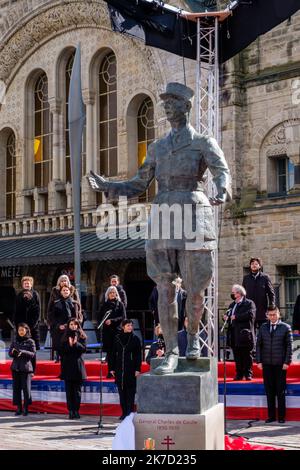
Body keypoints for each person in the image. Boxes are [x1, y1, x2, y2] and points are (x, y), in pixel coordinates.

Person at [87, 82, 231, 375]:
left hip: (193, 208)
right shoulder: (158, 147)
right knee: (164, 287)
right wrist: (109, 187)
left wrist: (223, 188)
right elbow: (139, 183)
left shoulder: (203, 142)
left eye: (172, 102)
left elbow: (221, 171)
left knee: (195, 286)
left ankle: (192, 340)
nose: (166, 107)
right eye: (164, 103)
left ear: (186, 106)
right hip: (163, 210)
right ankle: (172, 351)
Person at [256, 306, 293, 424]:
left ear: (278, 314)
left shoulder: (286, 327)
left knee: (280, 391)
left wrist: (287, 362)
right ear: (267, 315)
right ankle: (271, 416)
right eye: (270, 315)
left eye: (274, 314)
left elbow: (289, 346)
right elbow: (258, 345)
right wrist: (259, 361)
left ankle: (281, 416)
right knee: (269, 391)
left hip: (280, 364)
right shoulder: (263, 327)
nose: (272, 317)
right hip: (267, 364)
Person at [110, 319, 142, 420]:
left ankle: (129, 413)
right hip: (119, 368)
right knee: (122, 392)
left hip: (130, 368)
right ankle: (124, 412)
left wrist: (137, 368)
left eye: (131, 326)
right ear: (123, 327)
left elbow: (138, 355)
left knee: (130, 393)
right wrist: (111, 368)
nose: (130, 327)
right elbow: (112, 354)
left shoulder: (135, 339)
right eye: (128, 325)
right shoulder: (116, 338)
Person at [225, 284, 256, 380]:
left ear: (239, 293)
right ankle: (239, 374)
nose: (232, 294)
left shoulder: (249, 303)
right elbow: (228, 315)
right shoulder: (232, 304)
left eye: (233, 292)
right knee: (237, 354)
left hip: (244, 334)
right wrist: (225, 317)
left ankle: (248, 374)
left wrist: (236, 317)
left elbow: (251, 315)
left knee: (246, 355)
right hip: (234, 333)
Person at [60, 318, 87, 419]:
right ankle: (70, 410)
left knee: (77, 391)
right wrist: (69, 345)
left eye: (75, 324)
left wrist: (76, 344)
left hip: (78, 366)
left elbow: (84, 349)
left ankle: (76, 410)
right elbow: (61, 351)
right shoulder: (64, 336)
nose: (73, 326)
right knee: (69, 391)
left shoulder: (82, 336)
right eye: (71, 324)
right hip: (67, 366)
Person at [48, 285, 82, 362]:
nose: (65, 291)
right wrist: (58, 325)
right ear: (60, 292)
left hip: (71, 326)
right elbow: (53, 316)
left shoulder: (74, 303)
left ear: (70, 292)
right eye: (63, 290)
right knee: (59, 341)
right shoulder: (56, 303)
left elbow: (76, 316)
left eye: (67, 290)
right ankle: (58, 357)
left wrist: (70, 325)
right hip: (59, 326)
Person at [98, 286, 126, 378]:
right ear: (107, 294)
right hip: (107, 332)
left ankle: (118, 372)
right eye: (110, 293)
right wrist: (104, 321)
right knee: (110, 353)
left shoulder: (120, 304)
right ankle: (110, 371)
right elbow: (100, 318)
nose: (112, 294)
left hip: (117, 331)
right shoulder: (104, 305)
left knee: (117, 352)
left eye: (114, 292)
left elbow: (123, 317)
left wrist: (112, 321)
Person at [8, 323, 36, 416]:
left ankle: (26, 407)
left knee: (26, 389)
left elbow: (32, 354)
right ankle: (18, 407)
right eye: (19, 330)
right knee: (16, 389)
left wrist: (22, 352)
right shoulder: (15, 341)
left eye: (22, 330)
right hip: (15, 368)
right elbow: (10, 353)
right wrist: (13, 353)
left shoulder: (31, 341)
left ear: (26, 330)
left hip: (26, 368)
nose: (21, 332)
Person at [14, 276, 41, 372]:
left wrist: (30, 326)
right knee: (19, 348)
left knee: (31, 349)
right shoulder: (19, 295)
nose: (27, 284)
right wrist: (18, 326)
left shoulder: (35, 294)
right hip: (21, 327)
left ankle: (32, 369)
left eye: (28, 283)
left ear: (31, 284)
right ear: (22, 285)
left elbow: (37, 311)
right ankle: (20, 368)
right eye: (25, 283)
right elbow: (17, 311)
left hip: (32, 327)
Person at [242, 257, 275, 330]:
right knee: (250, 334)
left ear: (259, 266)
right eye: (252, 264)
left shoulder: (265, 277)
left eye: (256, 264)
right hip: (249, 311)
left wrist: (271, 305)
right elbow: (243, 294)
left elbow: (271, 293)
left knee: (264, 332)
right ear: (250, 266)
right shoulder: (246, 278)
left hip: (262, 311)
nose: (254, 265)